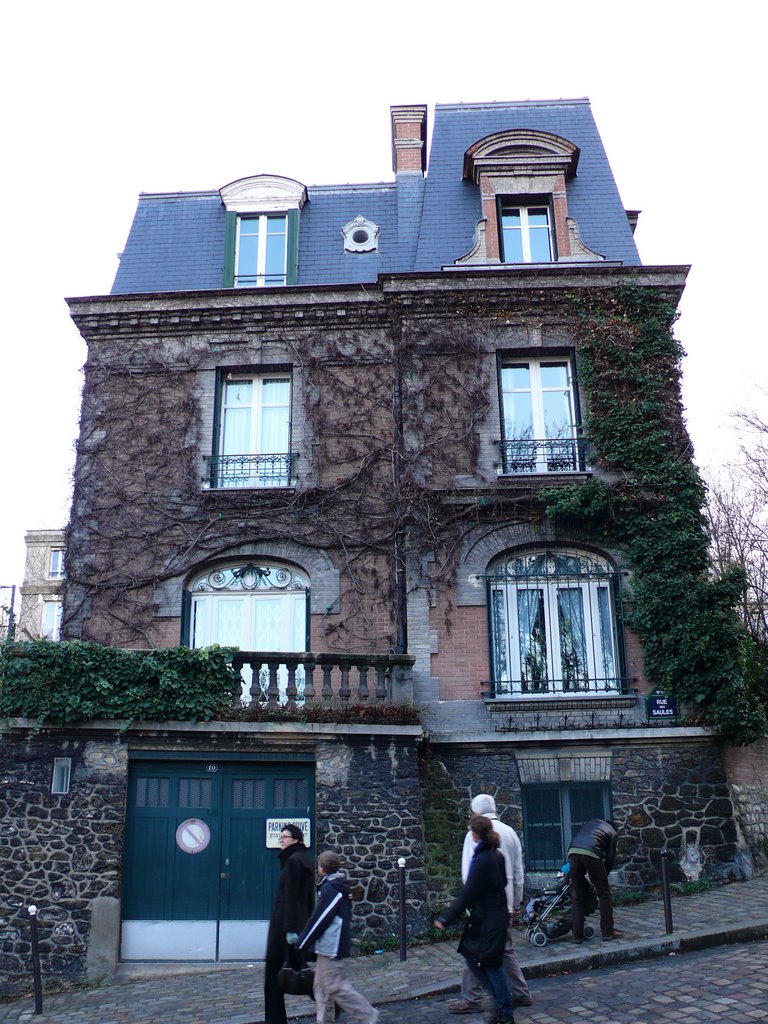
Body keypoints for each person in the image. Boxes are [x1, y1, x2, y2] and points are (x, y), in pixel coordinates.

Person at [449, 794, 532, 1013]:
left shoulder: (473, 835)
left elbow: (469, 875)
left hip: (485, 908)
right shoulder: (510, 832)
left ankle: (471, 997)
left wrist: (468, 904)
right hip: (504, 904)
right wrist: (516, 902)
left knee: (474, 951)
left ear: (475, 812)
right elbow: (517, 872)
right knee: (505, 950)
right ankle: (520, 992)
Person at [434, 814, 516, 1024]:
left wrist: (445, 918)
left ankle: (504, 1013)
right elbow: (502, 884)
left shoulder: (483, 859)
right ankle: (500, 1008)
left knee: (488, 964)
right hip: (493, 916)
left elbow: (468, 893)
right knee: (482, 962)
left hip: (489, 919)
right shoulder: (495, 855)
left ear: (476, 835)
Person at [295, 850, 379, 1024]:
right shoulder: (334, 886)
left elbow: (320, 918)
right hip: (326, 946)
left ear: (322, 869)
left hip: (331, 946)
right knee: (321, 988)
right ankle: (324, 1021)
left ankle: (367, 1015)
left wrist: (303, 941)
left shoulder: (331, 888)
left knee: (336, 987)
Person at [265, 823, 315, 1024]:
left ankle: (338, 1001)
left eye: (284, 837)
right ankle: (335, 1002)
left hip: (285, 928)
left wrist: (290, 929)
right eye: (280, 837)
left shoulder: (294, 861)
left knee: (274, 979)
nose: (281, 840)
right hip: (292, 925)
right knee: (300, 973)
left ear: (295, 839)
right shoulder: (300, 859)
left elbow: (292, 897)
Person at [566, 818, 622, 942]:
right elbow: (610, 859)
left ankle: (577, 935)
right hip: (591, 851)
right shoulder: (612, 833)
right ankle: (608, 931)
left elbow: (581, 842)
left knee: (577, 895)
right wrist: (602, 880)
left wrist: (569, 875)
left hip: (573, 851)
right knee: (604, 894)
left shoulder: (592, 823)